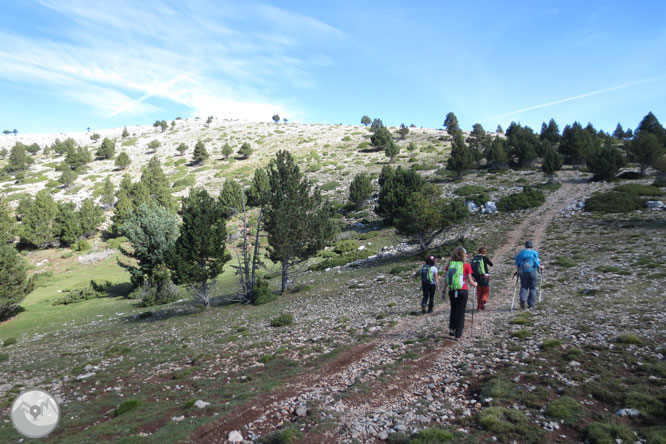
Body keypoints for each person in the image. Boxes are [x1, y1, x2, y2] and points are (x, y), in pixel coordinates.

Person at [442, 246, 477, 340]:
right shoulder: (466, 265)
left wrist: (443, 291)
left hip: (452, 290)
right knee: (461, 312)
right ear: (463, 255)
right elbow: (470, 281)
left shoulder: (450, 264)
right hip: (462, 290)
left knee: (453, 309)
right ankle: (458, 334)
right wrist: (475, 284)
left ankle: (452, 328)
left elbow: (446, 278)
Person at [514, 240, 544, 309]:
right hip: (532, 271)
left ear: (525, 246)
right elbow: (536, 262)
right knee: (532, 288)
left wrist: (518, 272)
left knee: (523, 286)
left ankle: (523, 299)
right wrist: (540, 267)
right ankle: (531, 304)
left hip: (523, 271)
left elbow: (517, 263)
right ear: (531, 246)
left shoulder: (521, 253)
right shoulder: (534, 253)